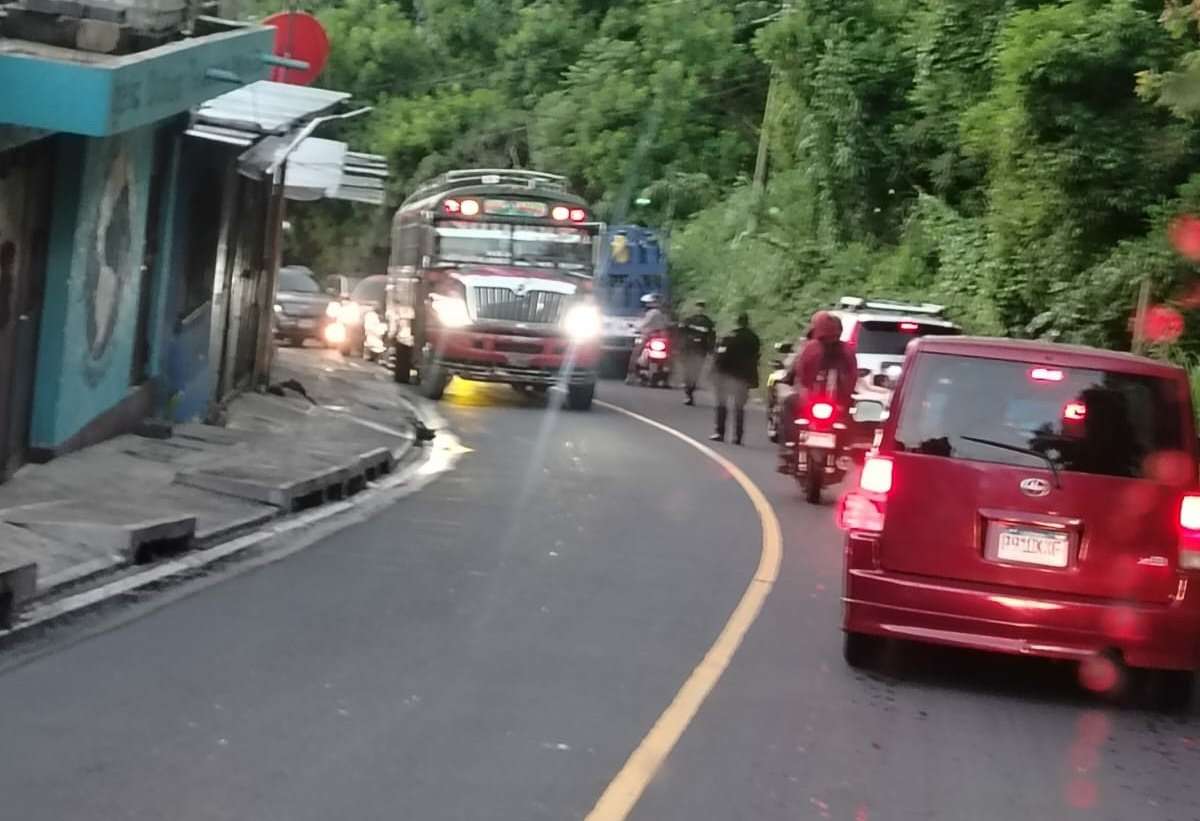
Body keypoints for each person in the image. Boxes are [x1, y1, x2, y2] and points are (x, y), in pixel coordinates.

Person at [778, 310, 858, 466]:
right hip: (829, 402)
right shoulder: (846, 350)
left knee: (788, 405)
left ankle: (788, 445)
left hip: (815, 401)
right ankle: (844, 450)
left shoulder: (811, 348)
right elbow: (853, 375)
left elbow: (800, 371)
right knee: (851, 416)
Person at [711, 312, 761, 444]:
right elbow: (756, 357)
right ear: (747, 322)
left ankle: (720, 432)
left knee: (722, 405)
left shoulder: (729, 337)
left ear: (737, 322)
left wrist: (715, 372)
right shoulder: (753, 338)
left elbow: (720, 357)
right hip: (744, 378)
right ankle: (738, 436)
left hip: (727, 376)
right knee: (739, 407)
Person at [626, 293, 671, 383]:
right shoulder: (664, 314)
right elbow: (668, 325)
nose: (646, 305)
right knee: (670, 355)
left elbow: (643, 325)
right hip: (662, 338)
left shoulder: (652, 313)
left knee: (635, 353)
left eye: (648, 303)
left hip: (650, 337)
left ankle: (631, 375)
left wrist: (635, 327)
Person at [679, 300, 715, 405]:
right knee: (687, 371)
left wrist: (710, 350)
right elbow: (681, 333)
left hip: (700, 351)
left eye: (701, 308)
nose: (699, 309)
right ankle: (688, 393)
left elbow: (711, 338)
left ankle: (690, 391)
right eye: (698, 307)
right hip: (688, 350)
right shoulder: (688, 321)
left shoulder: (708, 322)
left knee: (696, 372)